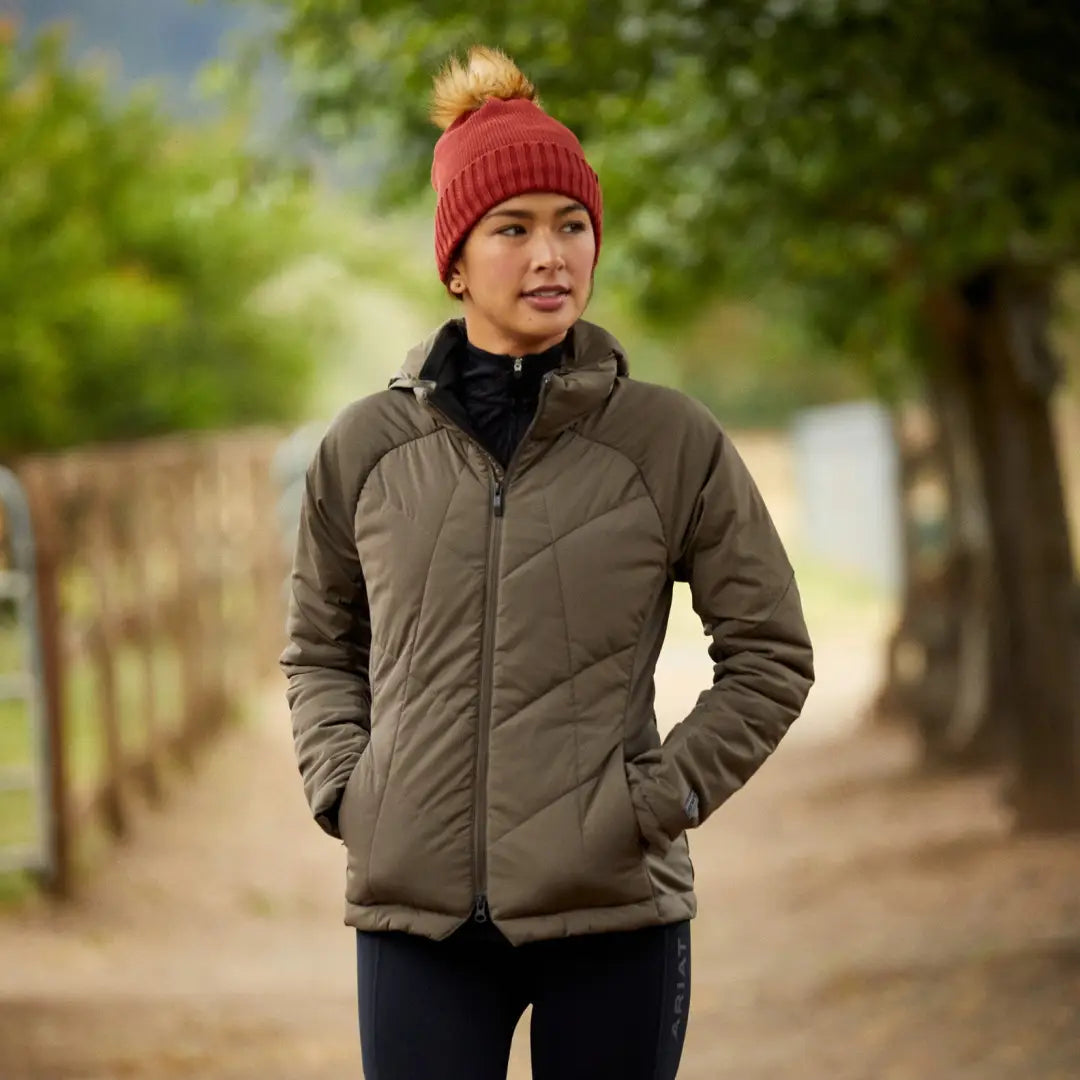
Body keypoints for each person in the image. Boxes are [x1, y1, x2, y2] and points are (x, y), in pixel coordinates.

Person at [281, 45, 814, 1080]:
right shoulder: (365, 450)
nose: (550, 255)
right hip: (417, 921)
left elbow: (771, 655)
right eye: (513, 229)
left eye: (571, 226)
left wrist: (657, 802)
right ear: (454, 259)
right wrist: (351, 790)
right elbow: (318, 646)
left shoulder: (669, 441)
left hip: (613, 912)